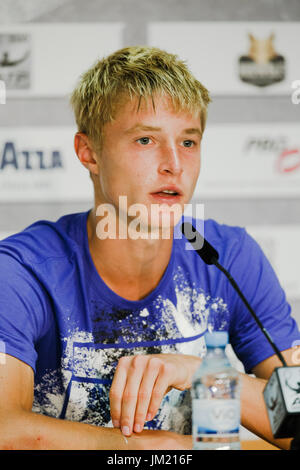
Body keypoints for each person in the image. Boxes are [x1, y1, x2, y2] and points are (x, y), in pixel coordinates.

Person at [0, 46, 299, 451]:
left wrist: (201, 373)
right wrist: (143, 451)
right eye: (145, 139)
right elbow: (4, 430)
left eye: (189, 142)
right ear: (88, 152)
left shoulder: (228, 256)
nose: (174, 163)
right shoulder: (24, 270)